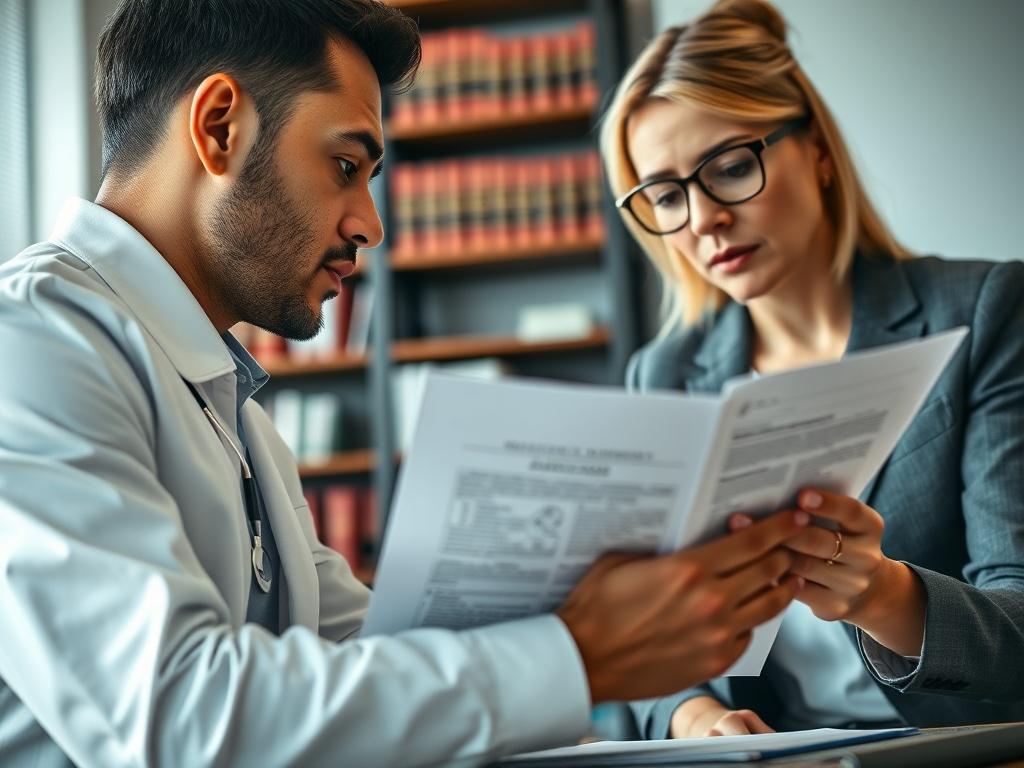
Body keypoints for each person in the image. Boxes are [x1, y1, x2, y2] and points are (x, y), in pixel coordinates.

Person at [0, 1, 812, 766]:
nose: (370, 226)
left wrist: (594, 621)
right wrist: (576, 652)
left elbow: (365, 662)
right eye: (345, 165)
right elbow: (178, 720)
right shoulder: (29, 338)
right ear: (220, 127)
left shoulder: (237, 418)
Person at [600, 0, 1024, 741]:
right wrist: (693, 717)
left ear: (818, 151)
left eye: (730, 167)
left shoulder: (983, 312)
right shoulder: (662, 374)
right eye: (666, 195)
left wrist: (882, 593)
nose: (702, 220)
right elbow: (644, 641)